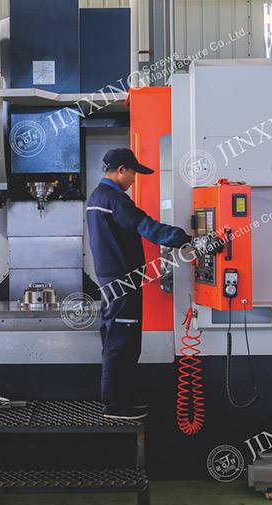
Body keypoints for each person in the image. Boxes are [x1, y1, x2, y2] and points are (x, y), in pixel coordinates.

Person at [86, 148, 219, 420]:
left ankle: (122, 399)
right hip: (122, 283)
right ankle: (114, 406)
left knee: (122, 342)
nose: (134, 179)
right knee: (121, 344)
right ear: (121, 169)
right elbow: (147, 227)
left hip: (116, 281)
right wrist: (190, 240)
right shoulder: (114, 199)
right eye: (133, 173)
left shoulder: (99, 197)